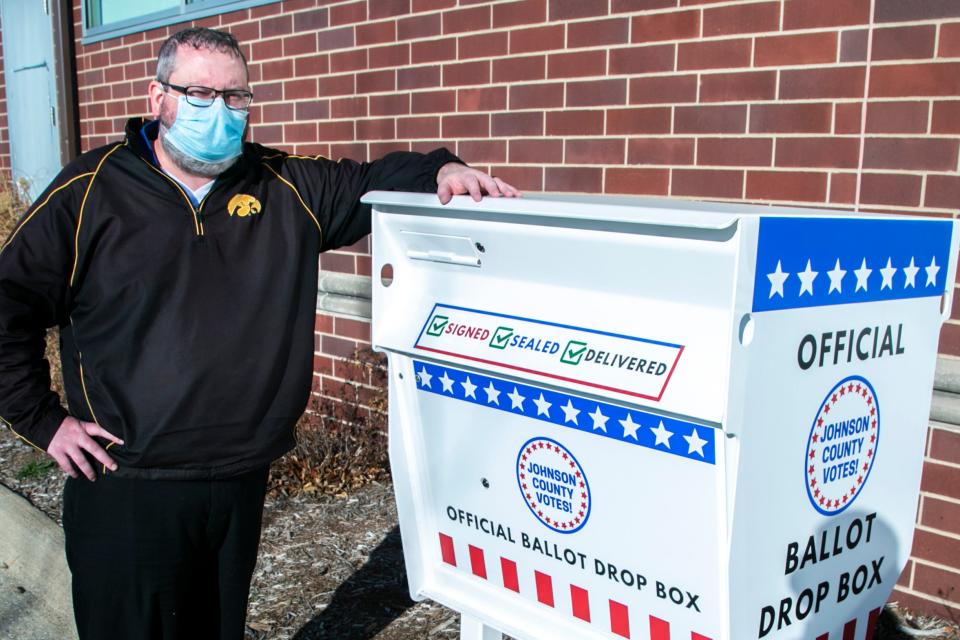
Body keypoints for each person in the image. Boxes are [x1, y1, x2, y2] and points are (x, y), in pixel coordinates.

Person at [0, 27, 519, 639]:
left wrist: (445, 168)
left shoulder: (283, 186)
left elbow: (378, 178)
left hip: (239, 480)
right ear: (158, 97)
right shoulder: (88, 193)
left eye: (235, 97)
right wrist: (42, 420)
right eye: (199, 94)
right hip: (127, 485)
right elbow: (8, 306)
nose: (219, 112)